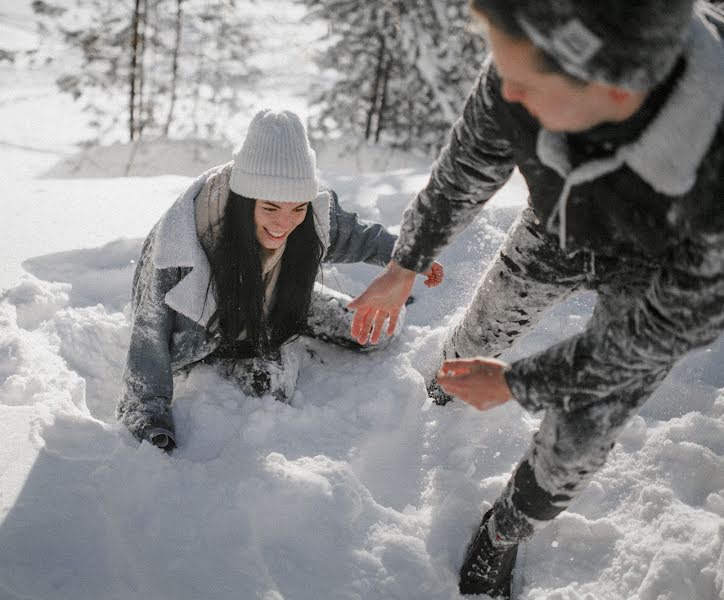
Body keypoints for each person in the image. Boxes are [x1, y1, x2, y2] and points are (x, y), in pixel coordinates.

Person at [349, 1, 723, 597]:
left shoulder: (714, 173)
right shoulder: (528, 55)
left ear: (617, 94)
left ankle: (506, 529)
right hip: (558, 228)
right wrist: (406, 265)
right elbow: (467, 165)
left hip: (656, 279)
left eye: (524, 84)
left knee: (580, 437)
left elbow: (645, 342)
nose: (506, 94)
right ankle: (442, 390)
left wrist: (520, 384)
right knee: (480, 332)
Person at [117, 109, 443, 452]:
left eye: (297, 208)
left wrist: (407, 261)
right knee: (268, 391)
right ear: (244, 200)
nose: (284, 222)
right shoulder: (181, 239)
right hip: (210, 328)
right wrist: (148, 415)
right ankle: (275, 337)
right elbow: (149, 329)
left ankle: (300, 314)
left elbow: (356, 236)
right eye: (270, 208)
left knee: (376, 330)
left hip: (273, 304)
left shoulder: (310, 212)